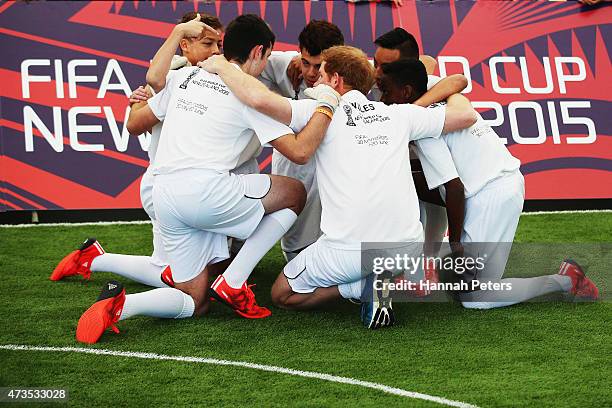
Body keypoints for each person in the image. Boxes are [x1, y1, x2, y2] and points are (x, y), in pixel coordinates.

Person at [72, 14, 340, 344]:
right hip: (208, 193)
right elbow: (300, 151)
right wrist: (328, 103)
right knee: (294, 192)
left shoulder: (185, 76)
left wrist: (136, 101)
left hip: (164, 195)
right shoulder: (249, 94)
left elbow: (135, 123)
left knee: (194, 300)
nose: (267, 63)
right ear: (257, 52)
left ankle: (122, 305)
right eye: (267, 56)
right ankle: (234, 280)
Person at [199, 45, 478, 328]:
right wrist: (442, 94)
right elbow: (465, 115)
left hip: (346, 252)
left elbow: (257, 99)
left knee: (282, 294)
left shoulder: (317, 110)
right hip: (406, 249)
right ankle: (378, 280)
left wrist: (222, 66)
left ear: (335, 81)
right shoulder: (400, 115)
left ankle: (359, 289)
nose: (314, 80)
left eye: (320, 74)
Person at [377, 58, 599, 309]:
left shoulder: (425, 127)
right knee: (457, 274)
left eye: (385, 90)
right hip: (492, 185)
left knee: (475, 297)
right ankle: (421, 267)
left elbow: (454, 188)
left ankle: (567, 280)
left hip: (493, 195)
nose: (381, 98)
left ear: (406, 92)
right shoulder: (432, 100)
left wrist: (456, 243)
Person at [50, 12, 223, 289]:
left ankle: (93, 258)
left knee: (192, 269)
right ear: (185, 45)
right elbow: (134, 123)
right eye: (207, 43)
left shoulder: (209, 76)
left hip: (184, 185)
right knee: (176, 279)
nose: (215, 51)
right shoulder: (172, 79)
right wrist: (138, 103)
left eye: (219, 45)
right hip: (167, 185)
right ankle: (95, 261)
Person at [259, 20, 345, 262]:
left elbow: (426, 62)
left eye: (319, 66)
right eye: (305, 62)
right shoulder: (280, 64)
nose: (310, 72)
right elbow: (238, 70)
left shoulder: (353, 73)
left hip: (330, 166)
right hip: (291, 163)